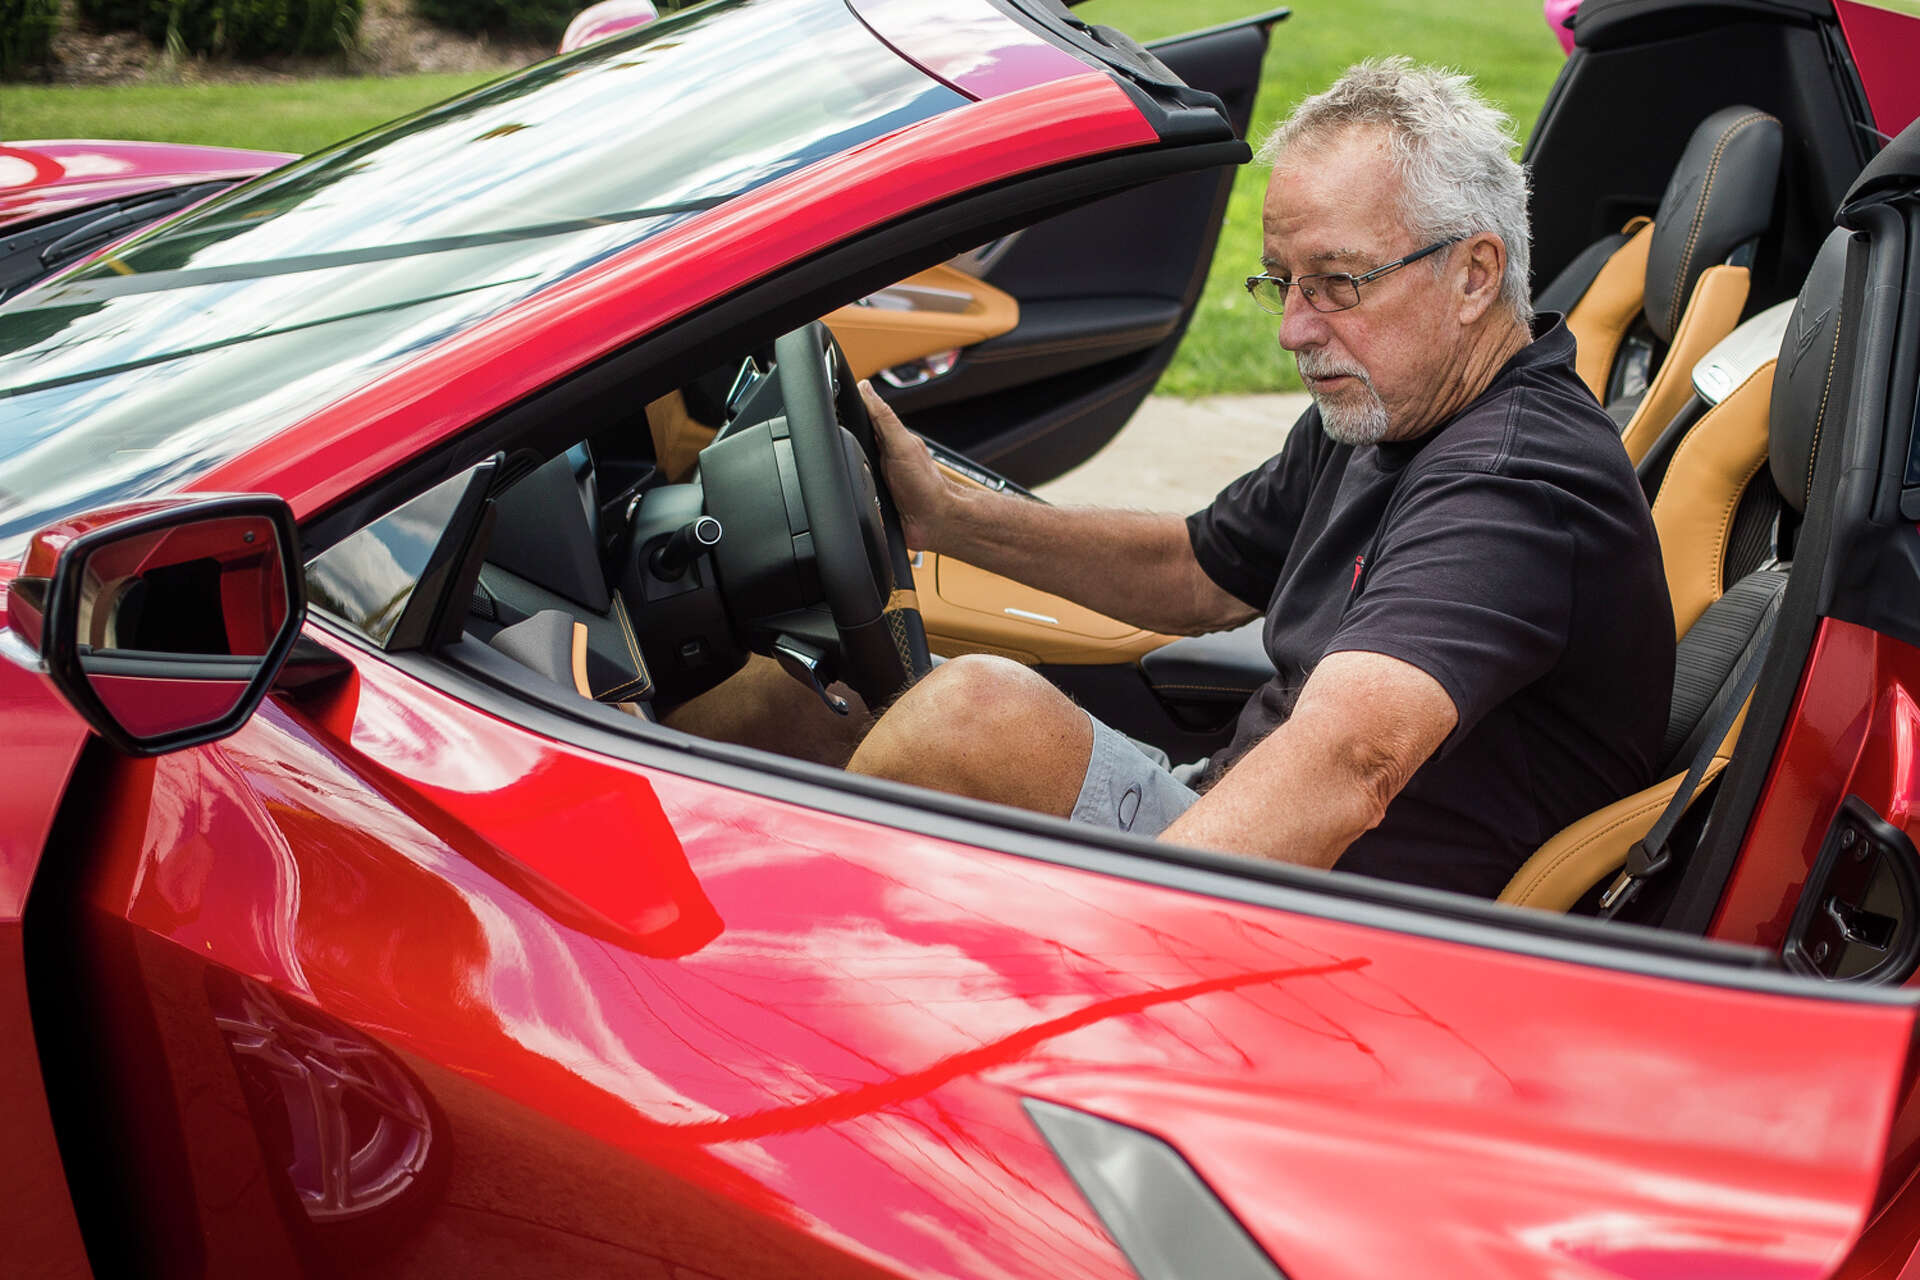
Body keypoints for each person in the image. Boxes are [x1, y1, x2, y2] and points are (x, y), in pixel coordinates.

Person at [841, 57, 1676, 899]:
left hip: (1340, 934)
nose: (1292, 330)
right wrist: (947, 516)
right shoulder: (1387, 405)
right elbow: (1196, 570)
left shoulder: (1515, 484)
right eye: (1282, 283)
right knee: (805, 695)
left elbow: (1353, 762)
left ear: (1475, 274)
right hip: (1235, 823)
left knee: (971, 719)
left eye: (1336, 283)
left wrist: (1125, 952)